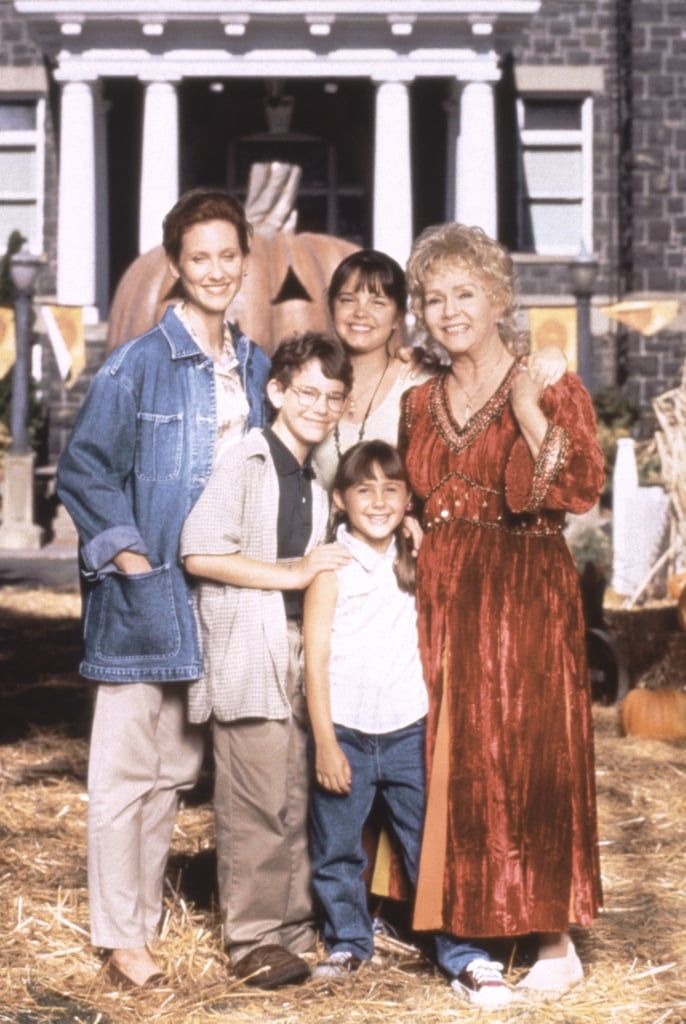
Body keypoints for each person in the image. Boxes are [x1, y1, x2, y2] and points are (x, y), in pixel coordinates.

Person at [56, 189, 270, 988]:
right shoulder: (140, 363)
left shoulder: (253, 365)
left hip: (217, 598)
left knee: (177, 771)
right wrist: (134, 563)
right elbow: (84, 471)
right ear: (177, 267)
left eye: (227, 255)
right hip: (148, 599)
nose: (215, 270)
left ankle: (139, 921)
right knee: (124, 772)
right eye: (199, 257)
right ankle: (122, 939)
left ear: (243, 259)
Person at [400, 223, 604, 1006]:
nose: (448, 310)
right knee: (457, 757)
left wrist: (524, 405)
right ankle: (479, 923)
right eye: (434, 297)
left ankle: (553, 938)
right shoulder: (419, 401)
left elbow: (576, 488)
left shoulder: (548, 381)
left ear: (499, 298)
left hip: (524, 595)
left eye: (464, 293)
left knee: (529, 751)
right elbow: (413, 497)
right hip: (443, 595)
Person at [304, 440, 511, 1005]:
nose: (378, 501)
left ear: (407, 499)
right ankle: (347, 941)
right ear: (341, 501)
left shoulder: (417, 557)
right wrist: (324, 740)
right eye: (363, 490)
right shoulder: (332, 566)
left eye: (391, 490)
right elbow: (316, 659)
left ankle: (461, 955)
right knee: (339, 849)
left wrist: (420, 533)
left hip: (407, 731)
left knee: (428, 847)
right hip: (344, 730)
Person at [180, 332, 354, 988]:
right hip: (247, 648)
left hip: (293, 652)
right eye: (307, 391)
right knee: (254, 801)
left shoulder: (314, 473)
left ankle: (288, 930)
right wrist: (295, 572)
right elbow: (199, 552)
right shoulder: (248, 458)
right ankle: (252, 939)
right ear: (276, 391)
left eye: (333, 396)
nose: (319, 405)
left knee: (290, 795)